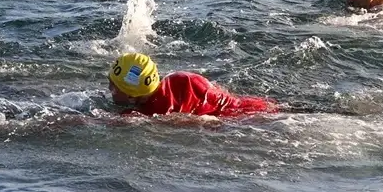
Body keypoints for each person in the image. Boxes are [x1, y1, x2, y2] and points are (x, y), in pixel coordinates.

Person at [107, 52, 278, 118]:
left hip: (246, 121)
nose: (109, 89)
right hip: (256, 105)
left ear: (131, 95)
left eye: (114, 86)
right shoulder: (182, 78)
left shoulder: (148, 113)